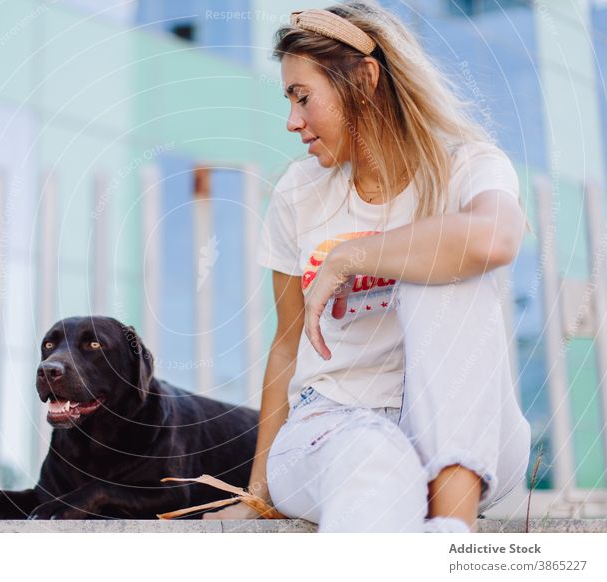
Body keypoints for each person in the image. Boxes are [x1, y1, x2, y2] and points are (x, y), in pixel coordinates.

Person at [203, 2, 530, 532]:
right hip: (332, 427)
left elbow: (494, 238)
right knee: (373, 457)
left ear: (364, 79)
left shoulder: (467, 165)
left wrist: (351, 256)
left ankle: (449, 524)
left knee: (446, 268)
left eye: (303, 97)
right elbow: (287, 345)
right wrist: (258, 492)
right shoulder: (297, 193)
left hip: (470, 431)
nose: (292, 121)